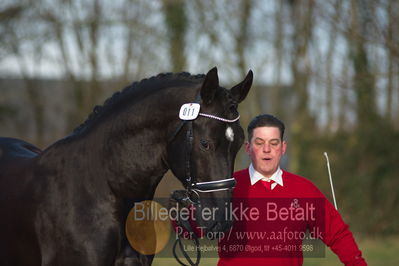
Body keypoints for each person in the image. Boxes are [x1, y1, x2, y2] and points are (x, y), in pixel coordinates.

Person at [217, 114, 367, 265]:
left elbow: (338, 234)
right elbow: (194, 228)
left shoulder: (304, 190)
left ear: (283, 148)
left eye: (274, 143)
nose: (267, 149)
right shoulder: (226, 187)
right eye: (259, 143)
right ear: (248, 148)